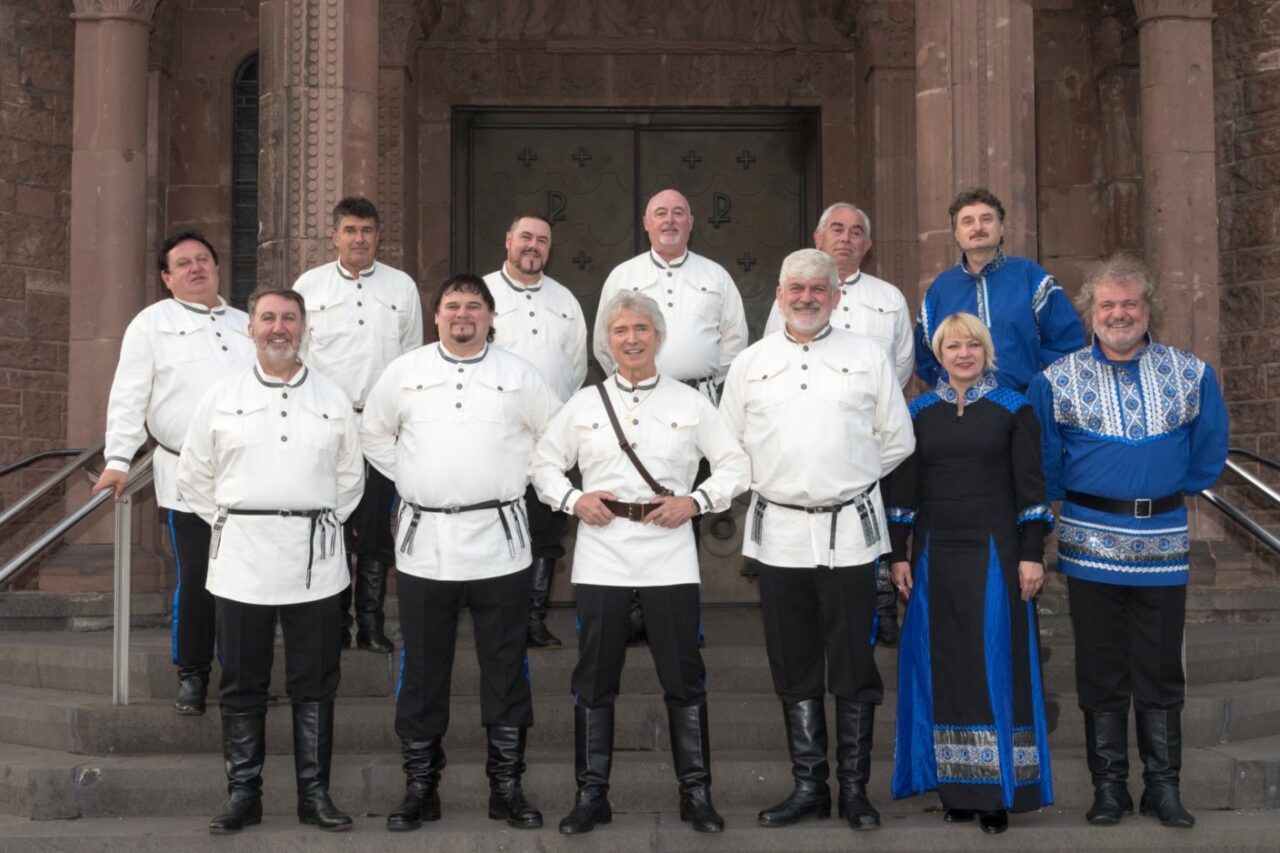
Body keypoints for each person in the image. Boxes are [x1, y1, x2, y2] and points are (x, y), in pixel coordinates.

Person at [532, 290, 750, 835]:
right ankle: (591, 796)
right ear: (607, 342)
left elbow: (735, 465)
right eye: (621, 331)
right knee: (594, 679)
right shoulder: (583, 404)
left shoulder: (690, 403)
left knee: (683, 676)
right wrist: (572, 500)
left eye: (642, 330)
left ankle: (696, 795)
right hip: (602, 556)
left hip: (669, 556)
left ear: (659, 337)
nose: (631, 339)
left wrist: (695, 502)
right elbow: (543, 464)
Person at [1029, 253, 1228, 829]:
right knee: (1100, 668)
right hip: (1090, 548)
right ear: (1091, 311)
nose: (1119, 314)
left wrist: (1162, 491)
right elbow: (1045, 460)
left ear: (1148, 309)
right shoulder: (1057, 379)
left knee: (1162, 670)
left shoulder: (1191, 372)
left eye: (1130, 303)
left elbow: (1209, 449)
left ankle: (1163, 788)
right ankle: (1110, 788)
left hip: (1163, 547)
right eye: (1108, 304)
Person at [718, 249, 914, 832]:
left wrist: (842, 479)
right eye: (796, 288)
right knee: (793, 657)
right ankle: (809, 786)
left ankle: (854, 790)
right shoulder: (750, 364)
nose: (807, 297)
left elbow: (897, 440)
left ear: (835, 296)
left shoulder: (868, 357)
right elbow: (730, 445)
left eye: (818, 289)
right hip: (779, 536)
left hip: (850, 534)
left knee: (854, 657)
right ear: (779, 295)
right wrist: (785, 485)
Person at [361, 274, 558, 832]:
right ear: (437, 315)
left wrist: (521, 477)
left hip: (501, 543)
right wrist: (413, 477)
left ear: (493, 317)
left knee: (505, 667)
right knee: (423, 669)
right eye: (452, 306)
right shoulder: (405, 372)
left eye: (474, 306)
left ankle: (507, 787)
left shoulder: (520, 375)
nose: (463, 314)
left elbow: (556, 436)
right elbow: (374, 433)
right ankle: (421, 788)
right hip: (427, 547)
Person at [177, 287, 364, 834]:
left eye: (288, 319)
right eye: (267, 319)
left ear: (304, 328)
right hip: (241, 560)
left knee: (316, 681)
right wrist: (237, 522)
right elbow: (194, 474)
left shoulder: (332, 397)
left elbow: (351, 479)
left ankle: (314, 795)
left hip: (316, 561)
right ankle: (244, 796)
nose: (278, 328)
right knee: (241, 681)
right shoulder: (221, 395)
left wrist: (312, 520)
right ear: (250, 329)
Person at [885, 312, 1055, 835]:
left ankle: (997, 792)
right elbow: (903, 492)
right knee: (944, 666)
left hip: (996, 554)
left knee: (993, 664)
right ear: (938, 354)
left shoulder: (1013, 409)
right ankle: (956, 787)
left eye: (972, 346)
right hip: (935, 553)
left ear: (986, 351)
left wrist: (1031, 553)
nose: (963, 354)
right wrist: (898, 554)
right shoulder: (917, 413)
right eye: (953, 346)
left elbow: (1031, 488)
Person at [93, 230, 255, 716]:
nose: (196, 268)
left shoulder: (248, 324)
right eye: (183, 263)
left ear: (218, 267)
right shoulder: (152, 324)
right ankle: (193, 674)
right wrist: (118, 460)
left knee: (249, 581)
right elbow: (129, 394)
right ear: (167, 278)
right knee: (200, 576)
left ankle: (243, 674)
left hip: (252, 475)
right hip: (187, 475)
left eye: (203, 259)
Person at [593, 188, 749, 643]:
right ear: (646, 222)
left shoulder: (715, 275)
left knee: (687, 510)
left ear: (691, 221)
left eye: (679, 212)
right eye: (661, 213)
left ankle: (679, 618)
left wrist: (699, 389)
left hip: (695, 406)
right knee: (633, 502)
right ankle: (632, 612)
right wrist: (636, 380)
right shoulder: (624, 275)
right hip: (636, 403)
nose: (669, 220)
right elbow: (606, 343)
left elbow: (733, 341)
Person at [764, 201, 914, 646]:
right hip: (806, 441)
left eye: (854, 232)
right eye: (836, 229)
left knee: (876, 526)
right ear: (818, 237)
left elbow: (902, 363)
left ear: (868, 245)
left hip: (872, 437)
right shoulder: (793, 294)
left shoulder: (889, 298)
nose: (845, 238)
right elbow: (780, 355)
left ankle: (881, 605)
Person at [294, 195, 423, 653]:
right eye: (350, 230)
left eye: (367, 230)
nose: (359, 238)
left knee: (373, 528)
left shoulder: (401, 287)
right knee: (328, 520)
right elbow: (299, 356)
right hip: (327, 423)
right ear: (334, 236)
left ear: (378, 235)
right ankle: (333, 623)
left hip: (380, 426)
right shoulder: (309, 286)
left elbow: (412, 358)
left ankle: (370, 624)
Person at [483, 213, 588, 648]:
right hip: (494, 437)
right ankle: (499, 619)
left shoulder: (564, 299)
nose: (533, 246)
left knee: (545, 532)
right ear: (507, 241)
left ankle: (533, 619)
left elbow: (578, 366)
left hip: (551, 439)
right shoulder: (481, 292)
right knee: (495, 527)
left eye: (542, 240)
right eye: (525, 237)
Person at [915, 188, 1083, 392]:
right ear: (956, 234)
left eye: (987, 219)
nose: (978, 227)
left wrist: (1038, 386)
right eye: (967, 221)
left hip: (1023, 407)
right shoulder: (940, 289)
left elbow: (1067, 340)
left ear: (1001, 228)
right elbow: (926, 354)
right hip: (960, 412)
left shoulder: (1029, 275)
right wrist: (951, 389)